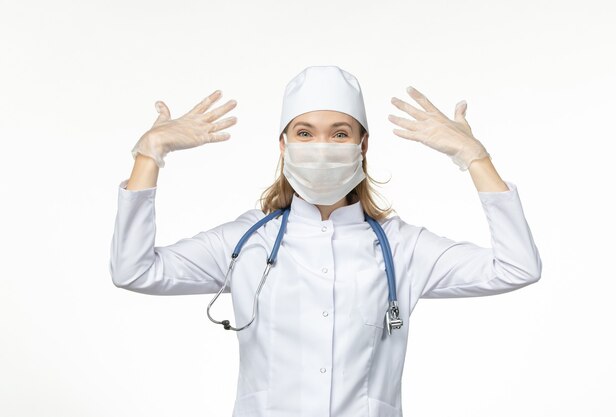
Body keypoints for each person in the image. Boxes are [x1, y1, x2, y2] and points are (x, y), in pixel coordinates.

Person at [109, 65, 542, 417]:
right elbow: (134, 269)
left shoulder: (402, 247)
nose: (322, 147)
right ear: (282, 145)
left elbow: (517, 266)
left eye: (339, 134)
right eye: (304, 133)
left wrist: (475, 159)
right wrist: (150, 154)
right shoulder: (245, 240)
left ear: (362, 145)